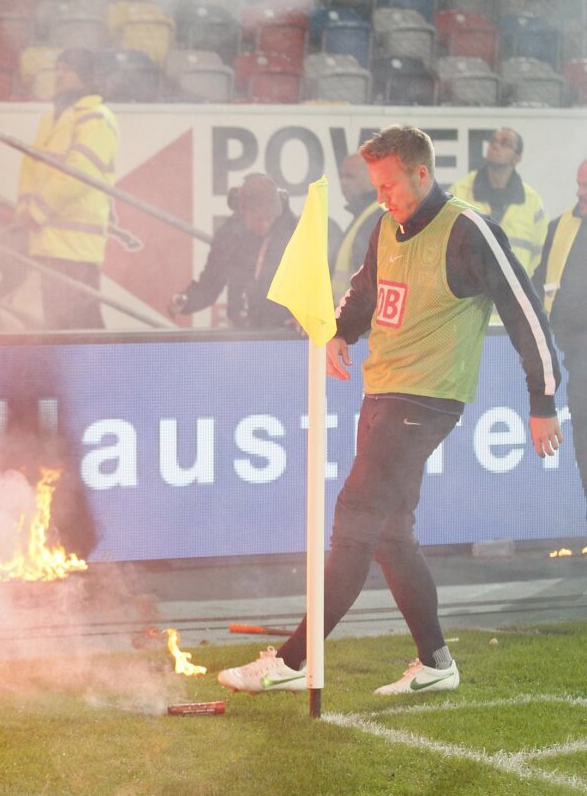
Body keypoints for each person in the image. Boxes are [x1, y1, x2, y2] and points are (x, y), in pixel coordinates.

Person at [217, 125, 563, 696]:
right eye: (375, 186)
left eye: (389, 185)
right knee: (391, 535)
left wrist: (542, 398)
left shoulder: (468, 229)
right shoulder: (385, 227)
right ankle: (436, 664)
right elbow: (366, 290)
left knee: (355, 517)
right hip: (381, 392)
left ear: (421, 174)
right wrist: (340, 331)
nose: (381, 197)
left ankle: (293, 660)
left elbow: (525, 311)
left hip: (427, 398)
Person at [11, 47, 119, 330]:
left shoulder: (96, 117)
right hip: (48, 242)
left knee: (80, 330)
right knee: (63, 328)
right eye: (57, 69)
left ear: (85, 75)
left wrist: (36, 211)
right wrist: (25, 208)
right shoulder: (51, 120)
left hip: (76, 247)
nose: (59, 76)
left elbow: (80, 173)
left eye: (66, 69)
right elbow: (30, 168)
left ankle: (102, 362)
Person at [167, 173, 296, 330]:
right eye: (258, 219)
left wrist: (306, 317)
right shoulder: (229, 236)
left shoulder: (295, 234)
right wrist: (187, 300)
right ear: (244, 211)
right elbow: (210, 284)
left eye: (269, 218)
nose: (264, 224)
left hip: (285, 332)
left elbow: (311, 284)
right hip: (243, 331)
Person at [533, 158, 587, 507]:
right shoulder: (561, 227)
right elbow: (539, 282)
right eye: (579, 184)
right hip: (577, 362)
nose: (580, 193)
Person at [450, 127, 547, 276]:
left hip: (515, 287)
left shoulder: (533, 203)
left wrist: (526, 284)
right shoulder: (460, 193)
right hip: (468, 288)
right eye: (493, 141)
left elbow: (541, 255)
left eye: (505, 143)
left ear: (517, 158)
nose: (495, 145)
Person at [330, 152, 383, 301]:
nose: (343, 182)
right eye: (342, 176)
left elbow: (370, 284)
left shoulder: (375, 218)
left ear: (373, 178)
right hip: (350, 311)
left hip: (358, 313)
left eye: (350, 176)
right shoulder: (365, 215)